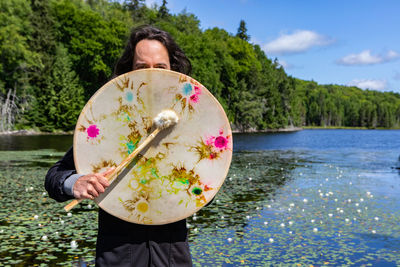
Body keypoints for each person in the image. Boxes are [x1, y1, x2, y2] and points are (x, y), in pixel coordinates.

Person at [45, 25, 193, 267]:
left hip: (172, 258)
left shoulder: (189, 122)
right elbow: (54, 177)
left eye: (161, 68)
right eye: (142, 67)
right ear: (128, 71)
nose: (151, 75)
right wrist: (76, 183)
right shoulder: (107, 121)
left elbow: (208, 179)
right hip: (118, 258)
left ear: (174, 71)